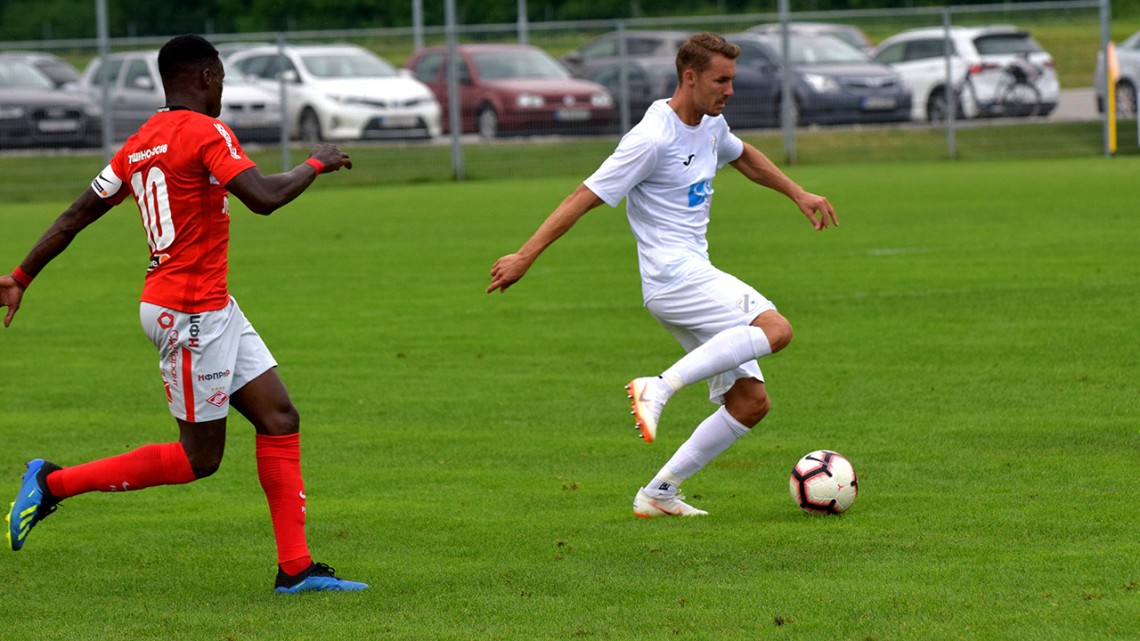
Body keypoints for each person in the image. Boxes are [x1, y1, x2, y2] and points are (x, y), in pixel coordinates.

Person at [2, 34, 367, 593]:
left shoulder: (138, 143)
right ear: (205, 77)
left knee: (279, 418)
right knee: (200, 458)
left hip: (207, 305)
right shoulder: (206, 131)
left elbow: (76, 214)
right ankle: (52, 483)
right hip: (190, 312)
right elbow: (264, 197)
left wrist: (21, 276)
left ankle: (295, 570)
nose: (222, 91)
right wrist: (317, 162)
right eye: (221, 80)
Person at [486, 32, 838, 518]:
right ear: (689, 77)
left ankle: (658, 493)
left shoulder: (711, 123)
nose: (730, 90)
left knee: (750, 402)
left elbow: (743, 155)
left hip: (692, 275)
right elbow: (582, 197)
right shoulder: (650, 139)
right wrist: (525, 256)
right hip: (673, 277)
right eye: (721, 80)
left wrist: (797, 192)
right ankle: (660, 386)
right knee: (776, 329)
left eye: (732, 80)